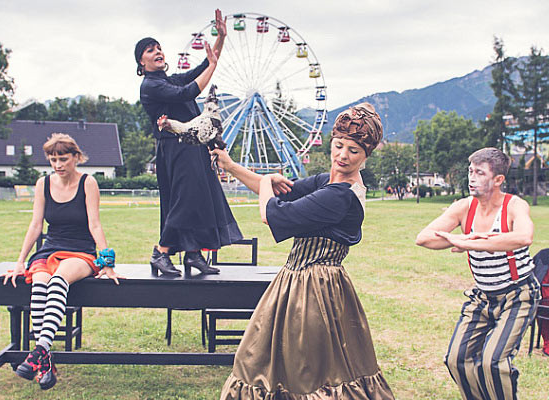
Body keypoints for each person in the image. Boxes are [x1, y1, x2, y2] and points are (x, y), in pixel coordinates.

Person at [214, 103, 395, 399]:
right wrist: (230, 166)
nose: (342, 155)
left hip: (314, 291)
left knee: (305, 369)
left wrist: (267, 181)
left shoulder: (340, 196)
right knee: (268, 361)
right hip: (299, 282)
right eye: (338, 145)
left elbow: (273, 213)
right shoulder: (328, 181)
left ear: (365, 157)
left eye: (353, 150)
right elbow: (277, 191)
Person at [416, 147, 540, 400]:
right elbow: (425, 238)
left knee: (492, 362)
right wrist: (463, 239)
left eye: (480, 173)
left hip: (519, 295)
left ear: (498, 179)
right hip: (482, 297)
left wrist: (472, 242)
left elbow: (524, 237)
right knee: (456, 360)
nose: (472, 178)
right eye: (470, 171)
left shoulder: (514, 205)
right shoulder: (464, 207)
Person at [2, 133, 122, 390]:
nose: (58, 165)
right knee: (39, 284)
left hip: (80, 250)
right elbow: (36, 225)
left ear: (76, 157)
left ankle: (38, 352)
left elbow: (95, 224)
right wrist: (21, 260)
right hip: (49, 249)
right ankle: (44, 359)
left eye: (63, 159)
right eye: (53, 160)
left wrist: (107, 262)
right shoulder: (43, 184)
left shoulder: (88, 183)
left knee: (58, 281)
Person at [135, 9, 242, 276]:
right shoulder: (150, 86)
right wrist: (212, 67)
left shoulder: (167, 80)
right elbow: (189, 91)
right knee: (184, 201)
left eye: (159, 47)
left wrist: (221, 38)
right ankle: (161, 252)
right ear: (141, 62)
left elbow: (204, 65)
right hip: (175, 148)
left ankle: (193, 253)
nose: (158, 51)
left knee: (198, 199)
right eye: (150, 50)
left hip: (191, 146)